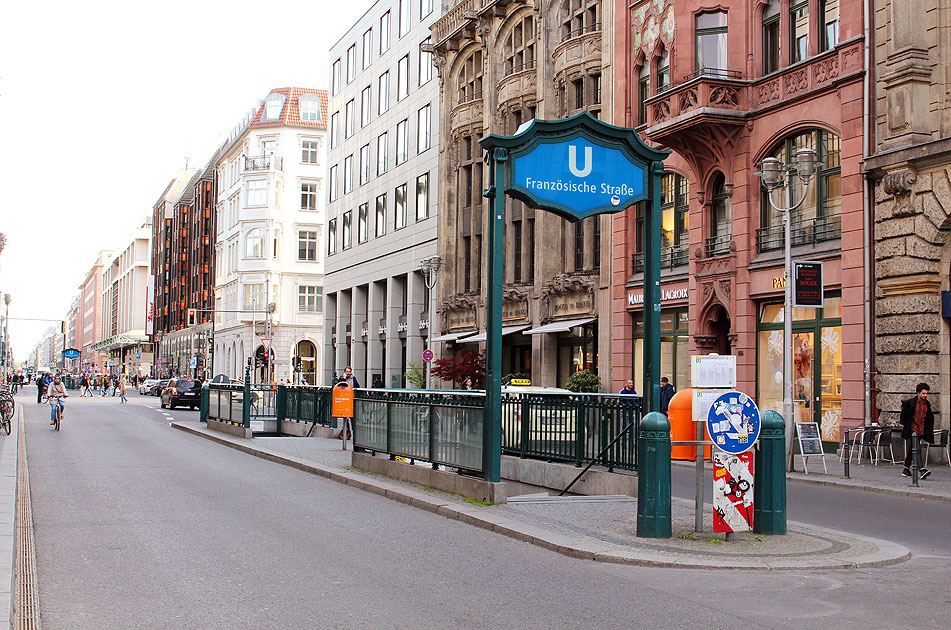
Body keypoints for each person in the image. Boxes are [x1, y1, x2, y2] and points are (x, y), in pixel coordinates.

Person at [900, 382, 935, 479]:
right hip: (912, 430)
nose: (925, 395)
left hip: (920, 430)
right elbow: (903, 415)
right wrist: (905, 424)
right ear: (918, 393)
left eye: (926, 393)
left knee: (912, 450)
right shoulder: (911, 402)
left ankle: (906, 469)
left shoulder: (927, 404)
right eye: (923, 393)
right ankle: (922, 470)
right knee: (917, 449)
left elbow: (928, 417)